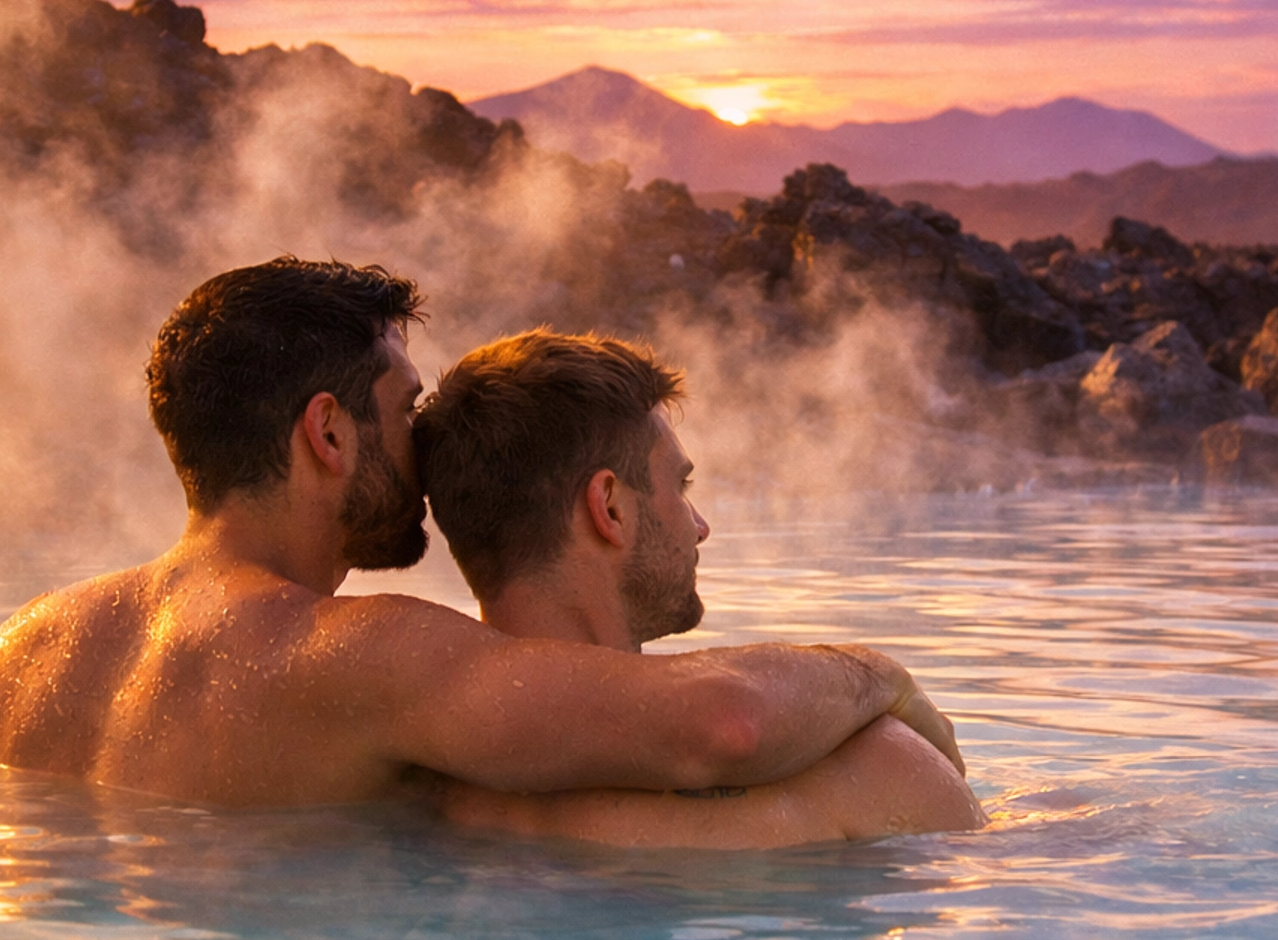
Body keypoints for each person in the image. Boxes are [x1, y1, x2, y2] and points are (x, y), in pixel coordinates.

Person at [0, 257, 968, 825]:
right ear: (328, 433)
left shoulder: (19, 653)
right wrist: (878, 675)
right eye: (404, 409)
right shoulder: (353, 653)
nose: (422, 442)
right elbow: (719, 726)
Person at [414, 328, 982, 848]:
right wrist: (874, 676)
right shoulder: (863, 772)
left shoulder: (404, 769)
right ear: (610, 507)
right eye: (680, 487)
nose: (700, 526)